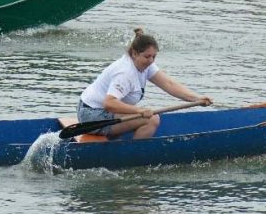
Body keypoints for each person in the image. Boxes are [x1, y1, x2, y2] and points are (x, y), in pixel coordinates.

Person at [76, 28, 212, 140]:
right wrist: (139, 111)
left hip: (100, 111)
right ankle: (132, 156)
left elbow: (169, 84)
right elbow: (109, 103)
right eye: (147, 56)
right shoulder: (125, 72)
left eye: (154, 56)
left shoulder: (145, 64)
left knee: (148, 116)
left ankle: (123, 146)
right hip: (92, 116)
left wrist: (197, 98)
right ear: (135, 53)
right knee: (152, 119)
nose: (151, 61)